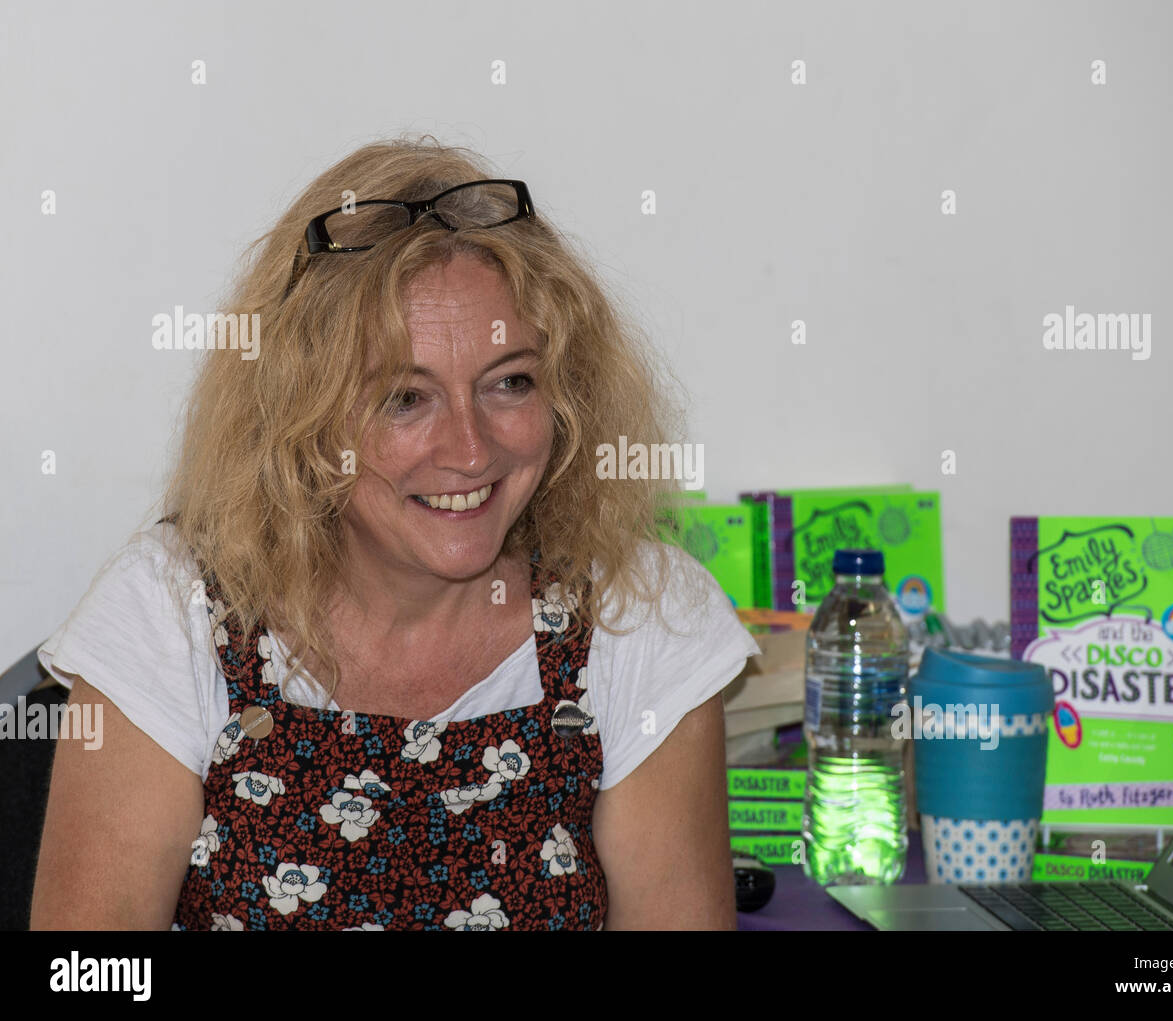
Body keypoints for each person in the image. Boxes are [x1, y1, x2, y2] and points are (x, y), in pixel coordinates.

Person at [29, 137, 759, 931]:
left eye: (509, 382)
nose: (471, 449)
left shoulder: (640, 616)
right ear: (300, 419)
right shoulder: (171, 614)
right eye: (405, 399)